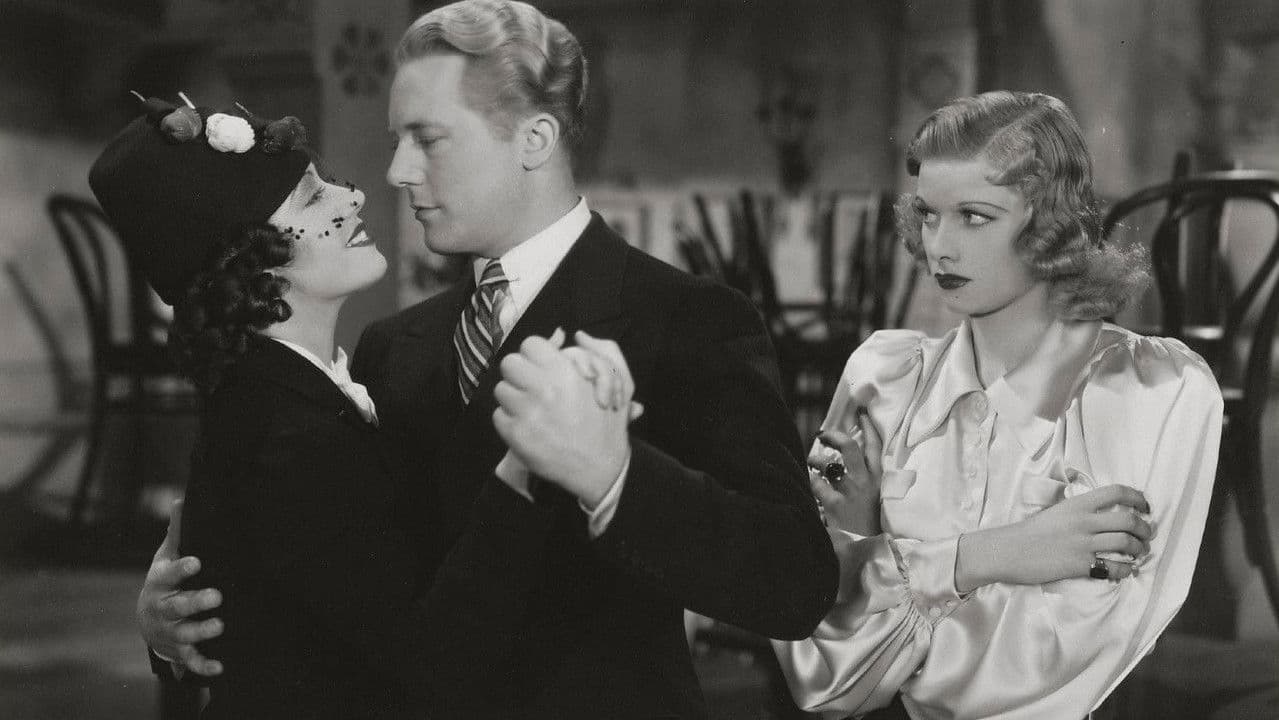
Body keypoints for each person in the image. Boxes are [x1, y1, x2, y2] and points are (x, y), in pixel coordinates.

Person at [136, 2, 839, 718]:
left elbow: (796, 585)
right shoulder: (394, 345)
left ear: (534, 139)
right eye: (397, 140)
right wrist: (185, 626)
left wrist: (615, 477)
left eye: (428, 139)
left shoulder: (688, 321)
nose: (397, 170)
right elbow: (349, 597)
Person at [89, 97, 630, 718]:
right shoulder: (292, 430)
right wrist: (524, 469)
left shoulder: (318, 390)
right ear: (250, 258)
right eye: (312, 197)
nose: (355, 197)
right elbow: (423, 659)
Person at [771, 91, 1223, 719]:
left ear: (1050, 223)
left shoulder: (1152, 393)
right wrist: (998, 554)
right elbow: (819, 667)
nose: (940, 247)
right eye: (929, 215)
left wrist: (876, 562)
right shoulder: (881, 379)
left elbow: (1040, 677)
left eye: (974, 217)